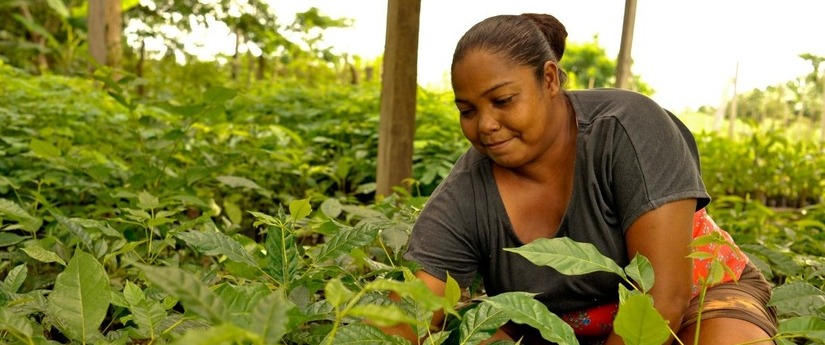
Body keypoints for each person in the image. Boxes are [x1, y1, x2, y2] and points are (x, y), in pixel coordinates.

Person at [395, 13, 777, 345]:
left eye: (503, 100)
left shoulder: (627, 129)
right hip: (558, 330)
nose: (486, 125)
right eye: (467, 110)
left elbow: (664, 299)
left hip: (695, 298)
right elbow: (409, 310)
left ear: (548, 80)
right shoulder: (467, 190)